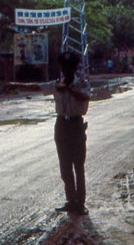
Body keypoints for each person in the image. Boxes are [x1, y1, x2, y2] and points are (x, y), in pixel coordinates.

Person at [7, 51, 91, 215]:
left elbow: (85, 97)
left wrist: (68, 89)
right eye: (63, 66)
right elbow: (37, 86)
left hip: (76, 124)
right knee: (65, 165)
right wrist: (15, 84)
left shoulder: (81, 83)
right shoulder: (55, 84)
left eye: (69, 67)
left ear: (74, 68)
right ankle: (70, 200)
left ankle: (80, 203)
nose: (65, 69)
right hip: (61, 124)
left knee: (78, 166)